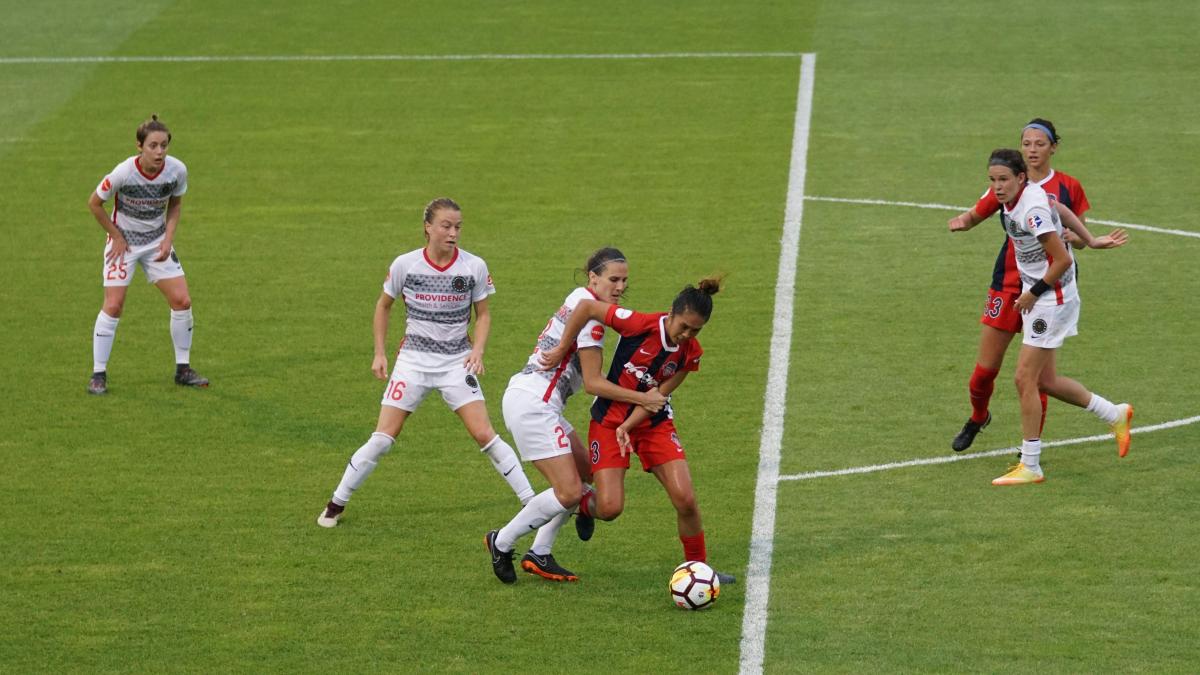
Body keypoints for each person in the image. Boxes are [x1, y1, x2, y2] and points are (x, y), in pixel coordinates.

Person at [317, 198, 535, 527]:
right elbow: (383, 306)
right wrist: (380, 352)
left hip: (455, 363)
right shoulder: (406, 265)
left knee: (485, 435)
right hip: (413, 363)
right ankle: (336, 504)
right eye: (446, 226)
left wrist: (478, 351)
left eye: (458, 227)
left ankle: (531, 502)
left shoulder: (473, 266)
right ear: (428, 227)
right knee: (383, 438)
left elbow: (484, 314)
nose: (453, 233)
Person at [483, 248, 669, 583]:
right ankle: (502, 541)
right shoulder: (592, 324)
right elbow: (594, 384)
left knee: (588, 474)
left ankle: (540, 552)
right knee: (569, 491)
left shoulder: (579, 298)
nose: (619, 286)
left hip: (536, 400)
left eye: (624, 280)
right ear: (592, 277)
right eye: (613, 279)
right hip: (533, 405)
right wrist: (645, 398)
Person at [532, 278, 735, 583]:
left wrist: (630, 424)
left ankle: (699, 569)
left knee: (686, 499)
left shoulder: (690, 353)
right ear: (672, 312)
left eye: (696, 331)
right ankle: (586, 509)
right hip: (608, 423)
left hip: (652, 424)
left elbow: (657, 400)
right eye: (684, 327)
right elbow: (586, 307)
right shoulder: (639, 324)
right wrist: (563, 347)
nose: (687, 336)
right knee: (610, 508)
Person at [947, 118, 1127, 450]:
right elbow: (980, 211)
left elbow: (1068, 243)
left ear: (1053, 148)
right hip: (1010, 283)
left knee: (1033, 378)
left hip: (1046, 288)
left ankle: (1030, 450)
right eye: (1026, 143)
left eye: (1039, 144)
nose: (1032, 150)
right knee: (986, 373)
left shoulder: (1062, 188)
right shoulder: (1008, 184)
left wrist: (1086, 240)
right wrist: (964, 221)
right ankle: (978, 418)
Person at [976, 150, 1133, 485]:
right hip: (1046, 294)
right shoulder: (1030, 196)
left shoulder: (1030, 209)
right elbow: (1058, 207)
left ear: (1020, 178)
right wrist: (1090, 239)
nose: (997, 187)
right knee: (1045, 380)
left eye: (1003, 179)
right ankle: (1115, 413)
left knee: (1024, 379)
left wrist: (1032, 293)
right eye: (992, 180)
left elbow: (1061, 259)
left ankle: (1031, 465)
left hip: (1051, 298)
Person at [86, 115, 208, 395]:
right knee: (114, 305)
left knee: (182, 300)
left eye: (164, 145)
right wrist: (116, 235)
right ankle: (98, 374)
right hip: (123, 245)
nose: (159, 152)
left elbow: (175, 204)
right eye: (153, 145)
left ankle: (183, 369)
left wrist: (168, 238)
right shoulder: (123, 173)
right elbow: (94, 204)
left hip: (156, 243)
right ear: (139, 146)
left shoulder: (176, 170)